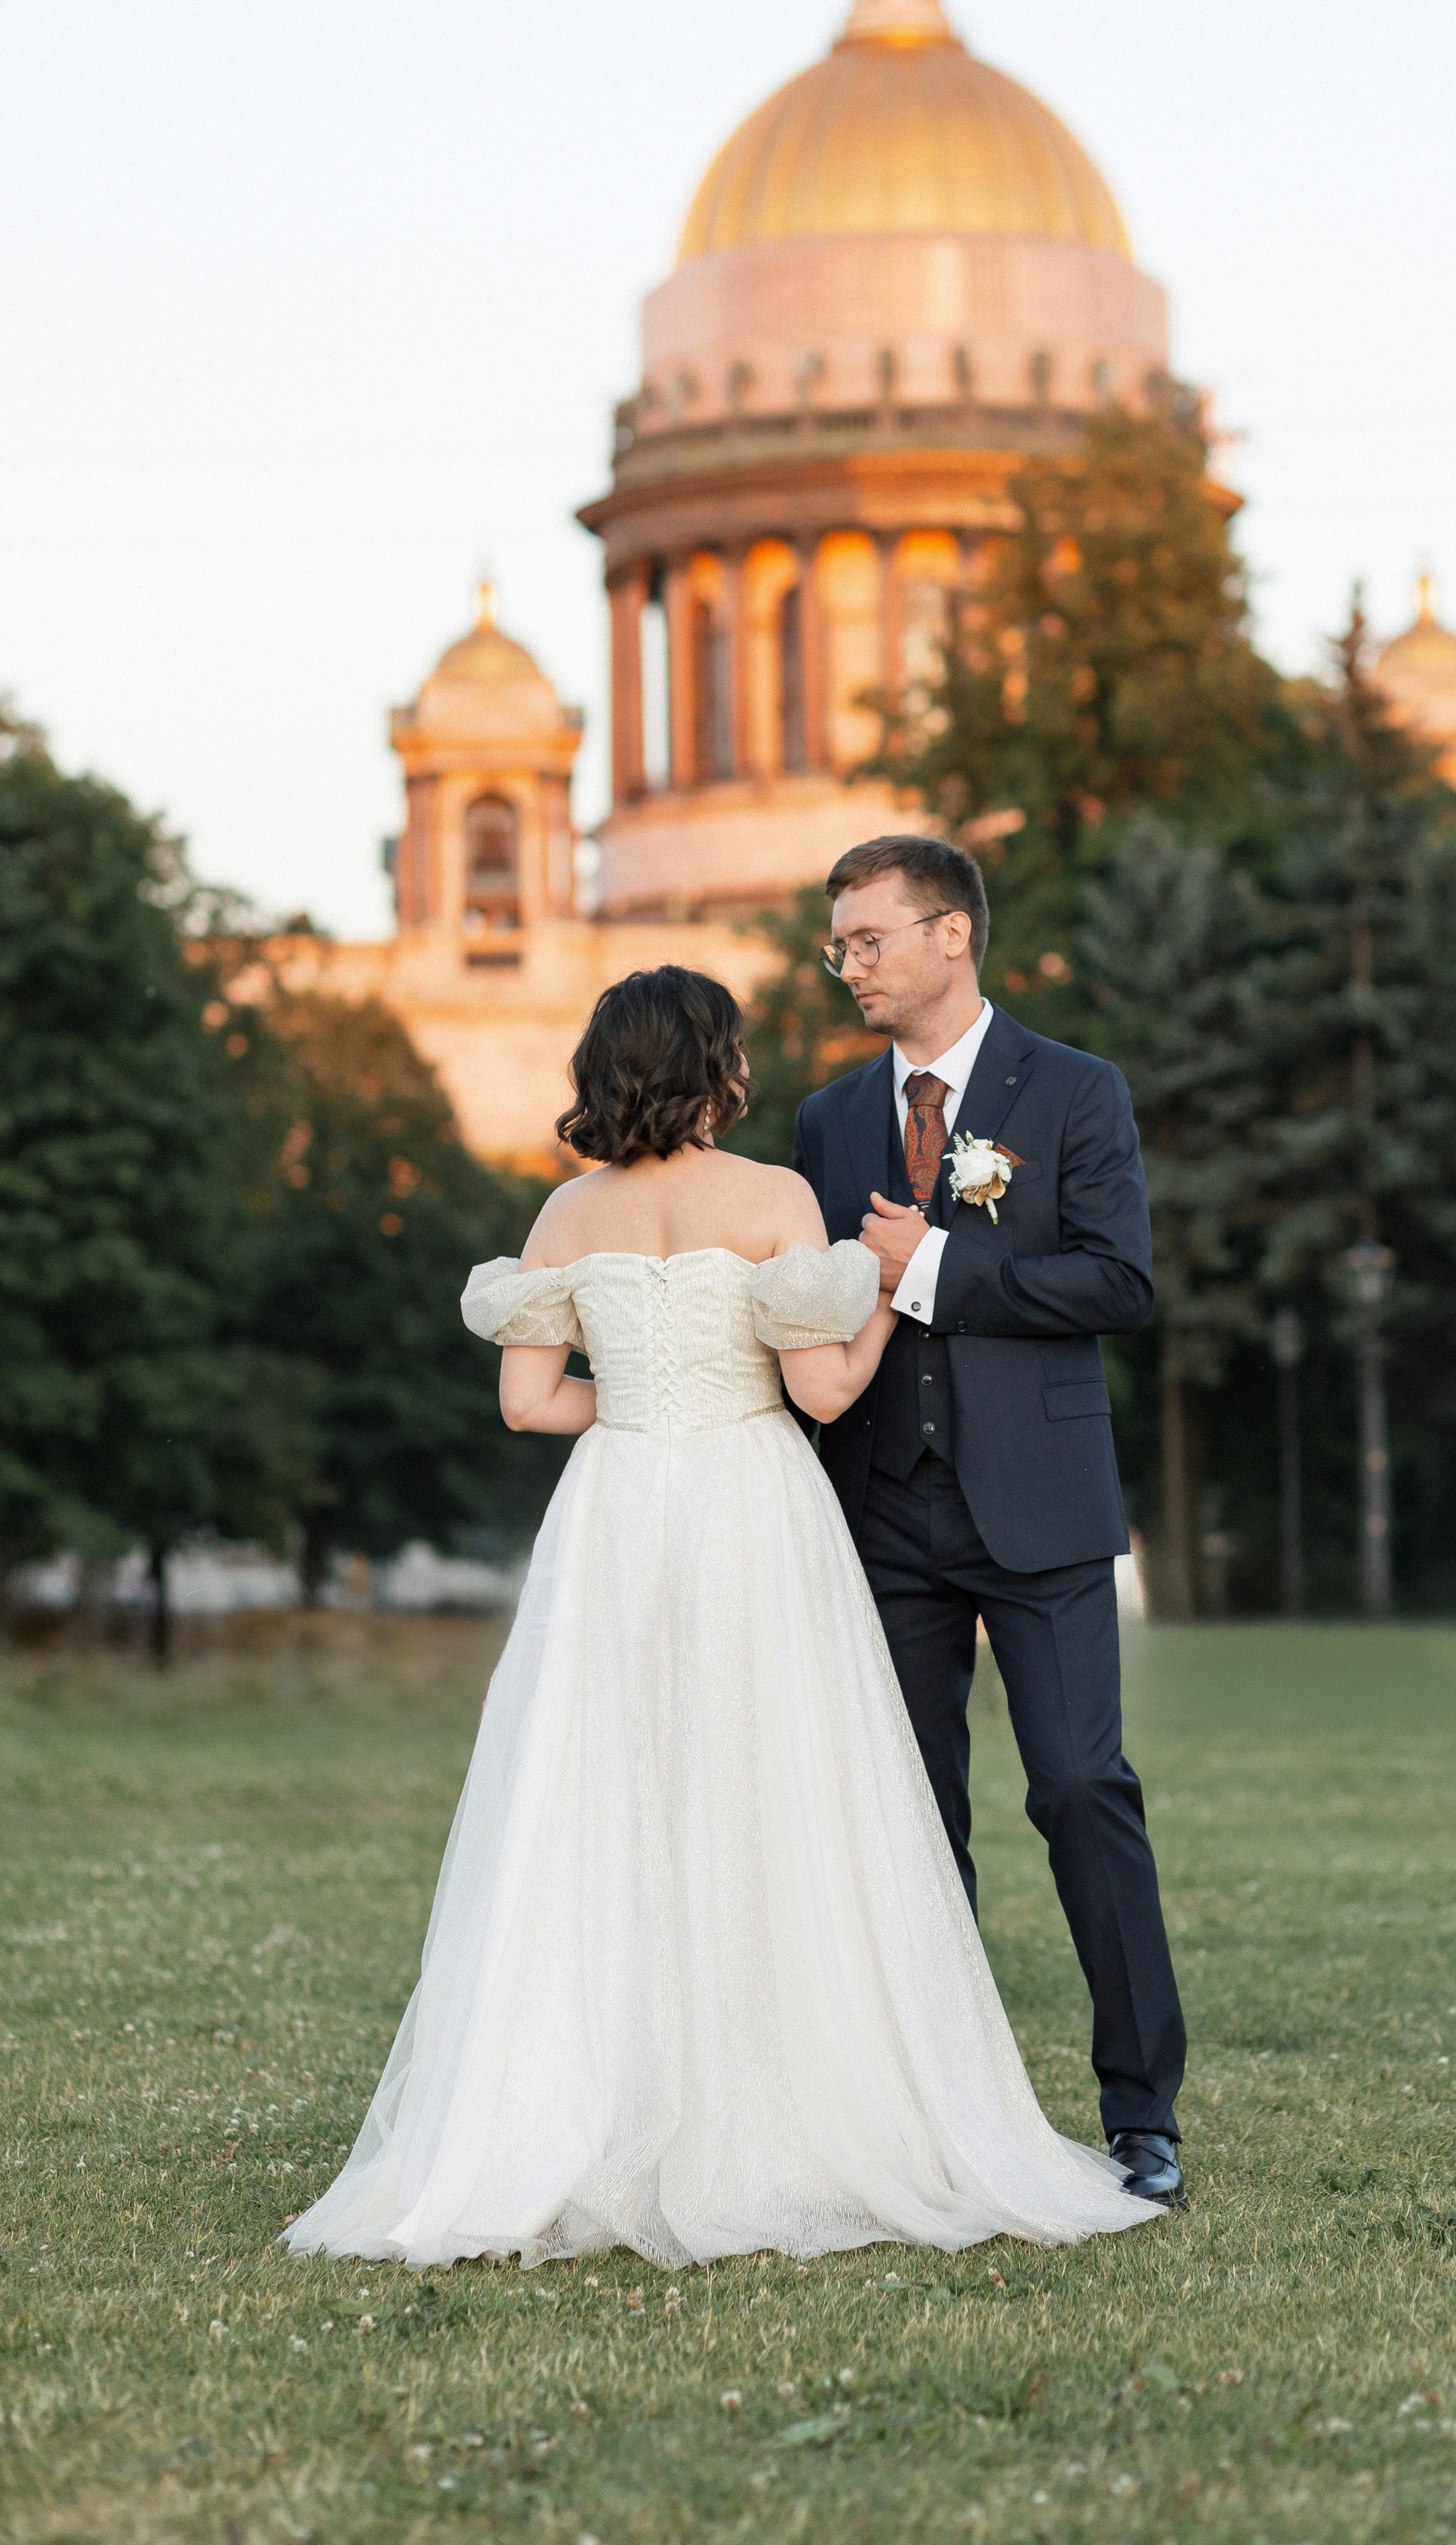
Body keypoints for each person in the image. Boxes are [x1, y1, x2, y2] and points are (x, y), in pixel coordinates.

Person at [283, 965, 1161, 2271]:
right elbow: (819, 1395)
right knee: (772, 1788)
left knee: (603, 1794)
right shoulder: (771, 1197)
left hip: (618, 1514)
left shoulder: (564, 1213)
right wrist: (863, 1314)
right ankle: (803, 2099)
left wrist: (641, 1407)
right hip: (753, 1508)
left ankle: (585, 2108)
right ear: (717, 1069)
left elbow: (529, 1403)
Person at [792, 836, 1187, 2209]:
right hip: (881, 1510)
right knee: (911, 1819)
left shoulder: (1076, 1091)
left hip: (1042, 1507)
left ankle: (1144, 2115)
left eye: (869, 939)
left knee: (1082, 1791)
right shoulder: (827, 1121)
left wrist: (941, 1264)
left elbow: (1116, 1282)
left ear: (951, 936)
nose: (850, 965)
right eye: (839, 944)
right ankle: (941, 2119)